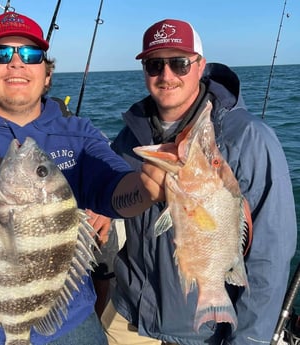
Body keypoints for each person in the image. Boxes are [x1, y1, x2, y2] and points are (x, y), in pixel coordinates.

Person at [0, 11, 165, 345]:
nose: (17, 63)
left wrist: (148, 187)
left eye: (30, 54)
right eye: (1, 54)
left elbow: (115, 188)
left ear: (46, 73)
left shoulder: (77, 132)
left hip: (67, 319)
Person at [101, 18, 297, 345]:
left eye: (179, 63)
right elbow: (118, 199)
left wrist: (249, 339)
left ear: (200, 65)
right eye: (154, 64)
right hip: (128, 314)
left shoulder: (250, 138)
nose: (166, 75)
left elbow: (271, 255)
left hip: (202, 331)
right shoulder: (128, 137)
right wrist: (103, 207)